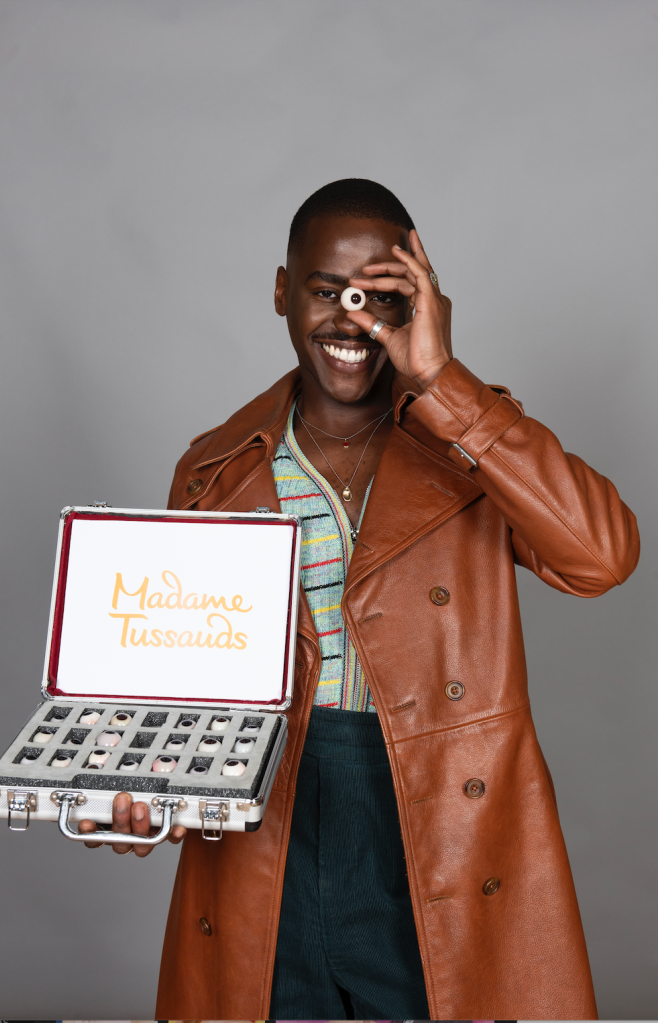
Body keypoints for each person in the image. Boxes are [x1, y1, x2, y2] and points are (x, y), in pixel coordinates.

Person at [79, 179, 639, 1020]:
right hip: (267, 836)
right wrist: (142, 797)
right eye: (326, 291)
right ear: (281, 290)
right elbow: (185, 692)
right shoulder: (214, 469)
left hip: (435, 829)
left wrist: (443, 381)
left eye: (381, 297)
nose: (352, 320)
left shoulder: (473, 440)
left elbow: (602, 556)